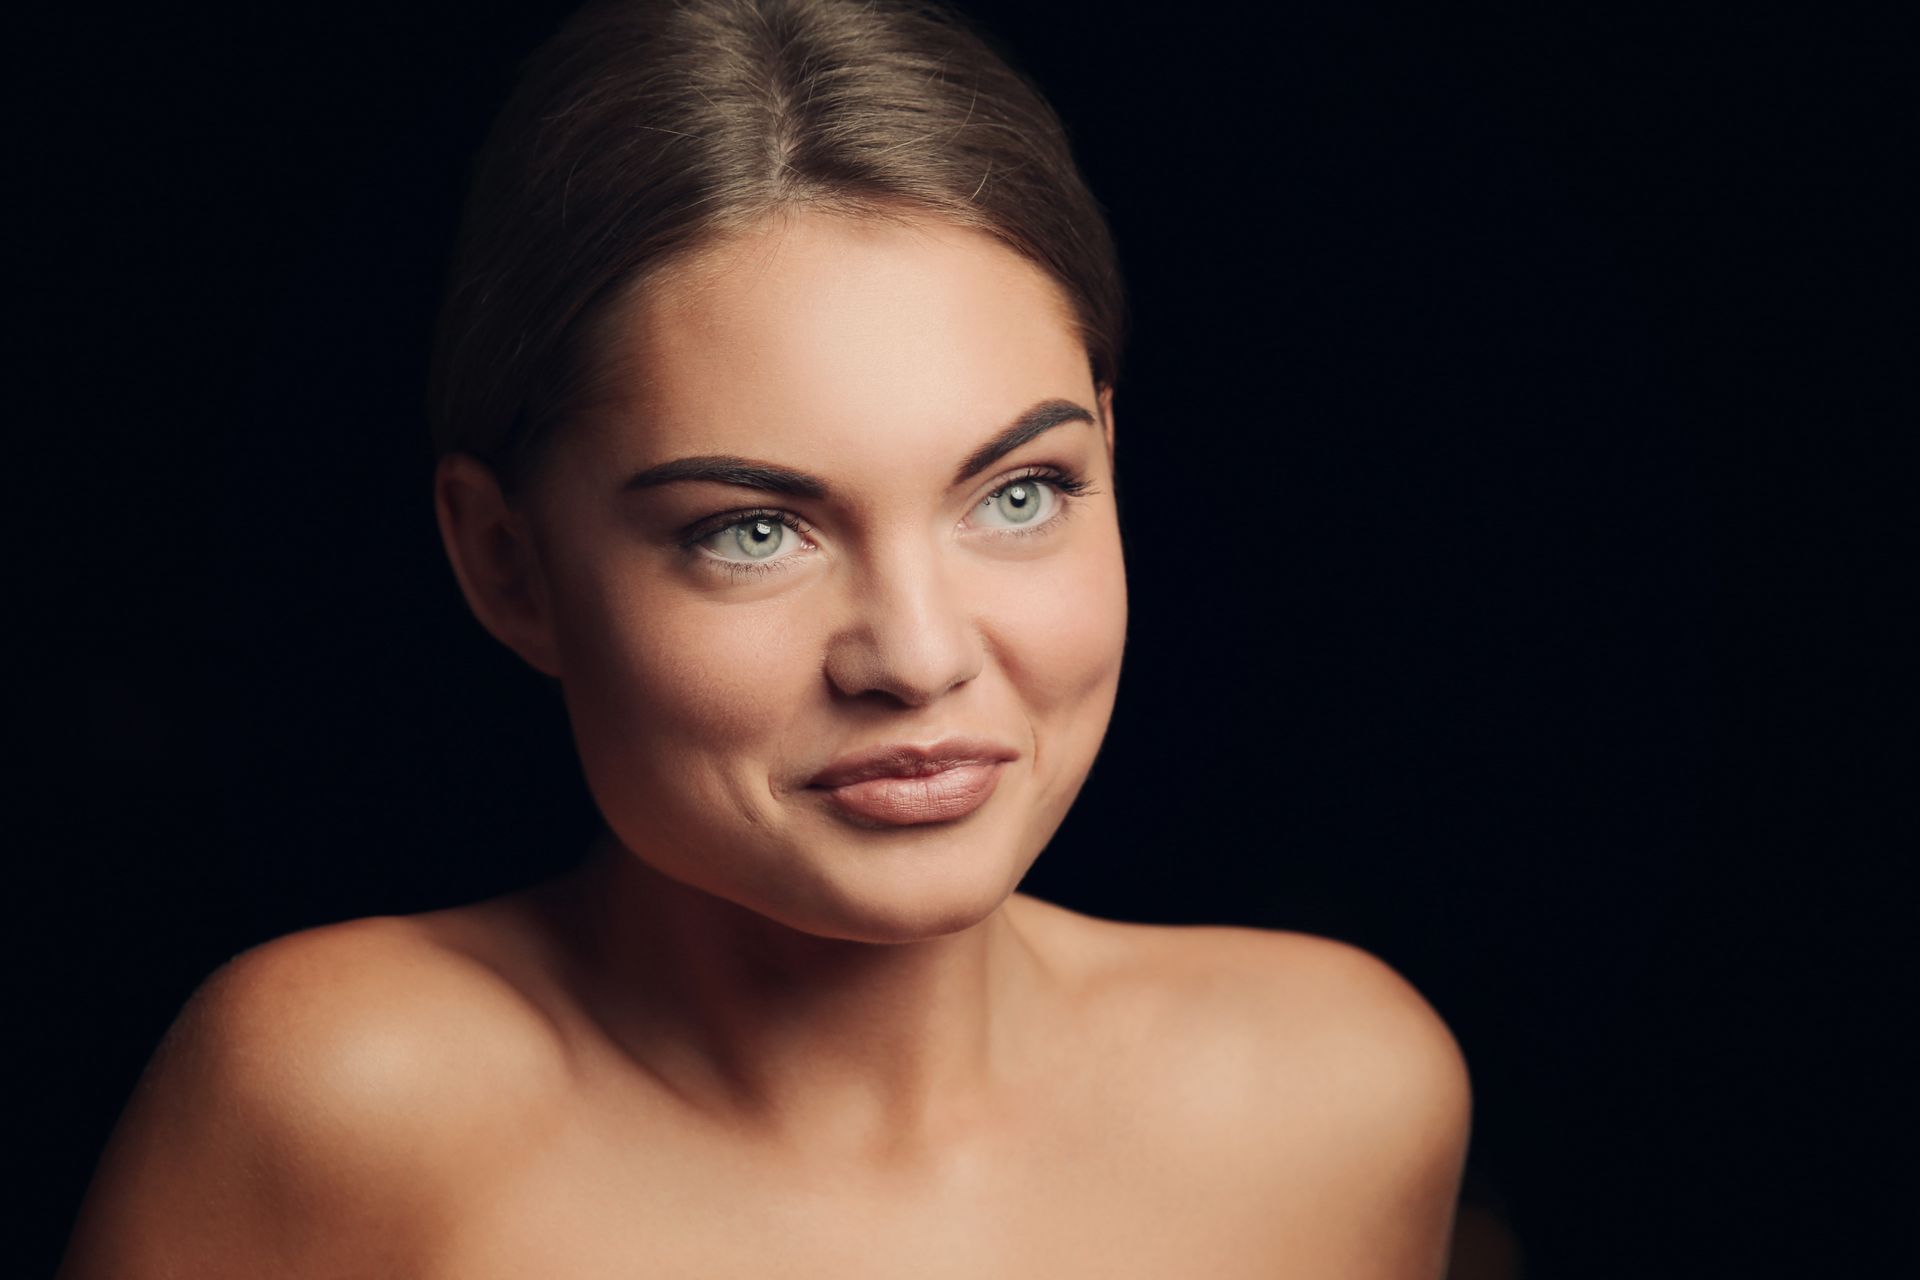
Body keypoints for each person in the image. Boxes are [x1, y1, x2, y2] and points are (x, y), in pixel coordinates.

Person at [60, 0, 1470, 1273]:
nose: (916, 658)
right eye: (752, 530)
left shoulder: (1339, 1098)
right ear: (508, 565)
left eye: (1018, 494)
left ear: (1108, 453)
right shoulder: (336, 1098)